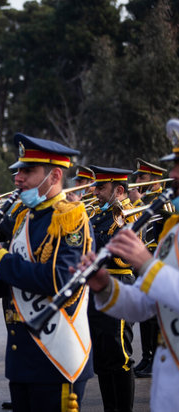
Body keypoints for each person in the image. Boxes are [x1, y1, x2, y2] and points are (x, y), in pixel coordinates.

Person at [0, 134, 94, 411]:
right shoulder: (25, 217)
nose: (18, 178)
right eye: (18, 170)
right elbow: (13, 284)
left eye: (28, 171)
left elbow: (61, 281)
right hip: (22, 356)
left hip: (56, 355)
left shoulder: (70, 217)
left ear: (54, 176)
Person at [82, 124, 179, 411]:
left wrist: (146, 263)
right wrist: (103, 287)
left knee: (119, 357)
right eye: (173, 166)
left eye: (178, 167)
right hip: (169, 390)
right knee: (105, 358)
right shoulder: (173, 234)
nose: (172, 175)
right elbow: (145, 305)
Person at [88, 165, 138, 411]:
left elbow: (121, 255)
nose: (94, 191)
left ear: (118, 190)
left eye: (100, 187)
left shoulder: (129, 214)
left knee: (119, 356)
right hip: (98, 287)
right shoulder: (99, 214)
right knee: (103, 357)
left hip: (118, 286)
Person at [129, 159, 173, 378]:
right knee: (146, 319)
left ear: (156, 180)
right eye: (137, 177)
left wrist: (138, 204)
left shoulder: (162, 202)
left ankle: (153, 358)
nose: (137, 181)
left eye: (142, 177)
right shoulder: (148, 200)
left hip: (159, 265)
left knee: (154, 318)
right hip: (144, 265)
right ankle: (147, 357)